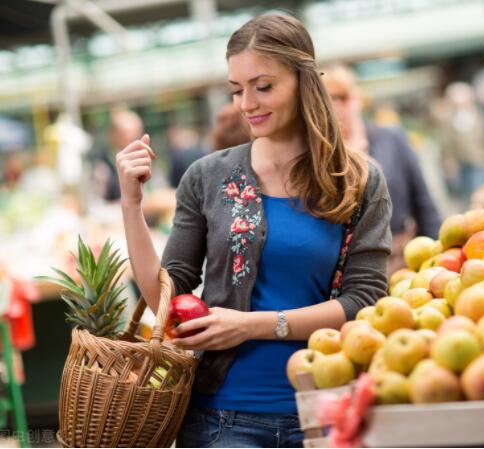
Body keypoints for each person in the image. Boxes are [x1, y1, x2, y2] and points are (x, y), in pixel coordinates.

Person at [116, 13, 392, 448]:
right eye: (237, 89)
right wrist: (131, 205)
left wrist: (251, 325)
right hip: (221, 419)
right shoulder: (207, 177)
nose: (246, 103)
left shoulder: (357, 180)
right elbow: (166, 302)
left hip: (330, 412)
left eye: (263, 86)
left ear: (304, 82)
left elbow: (365, 302)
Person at [322, 64, 441, 274]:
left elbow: (424, 203)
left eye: (342, 97)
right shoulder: (321, 155)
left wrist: (439, 256)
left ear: (358, 98)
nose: (335, 106)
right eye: (326, 100)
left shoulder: (392, 138)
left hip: (406, 259)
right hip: (353, 270)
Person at [93, 107, 144, 201]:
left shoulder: (145, 160)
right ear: (112, 135)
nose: (134, 141)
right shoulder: (103, 169)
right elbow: (95, 208)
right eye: (126, 135)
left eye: (137, 134)